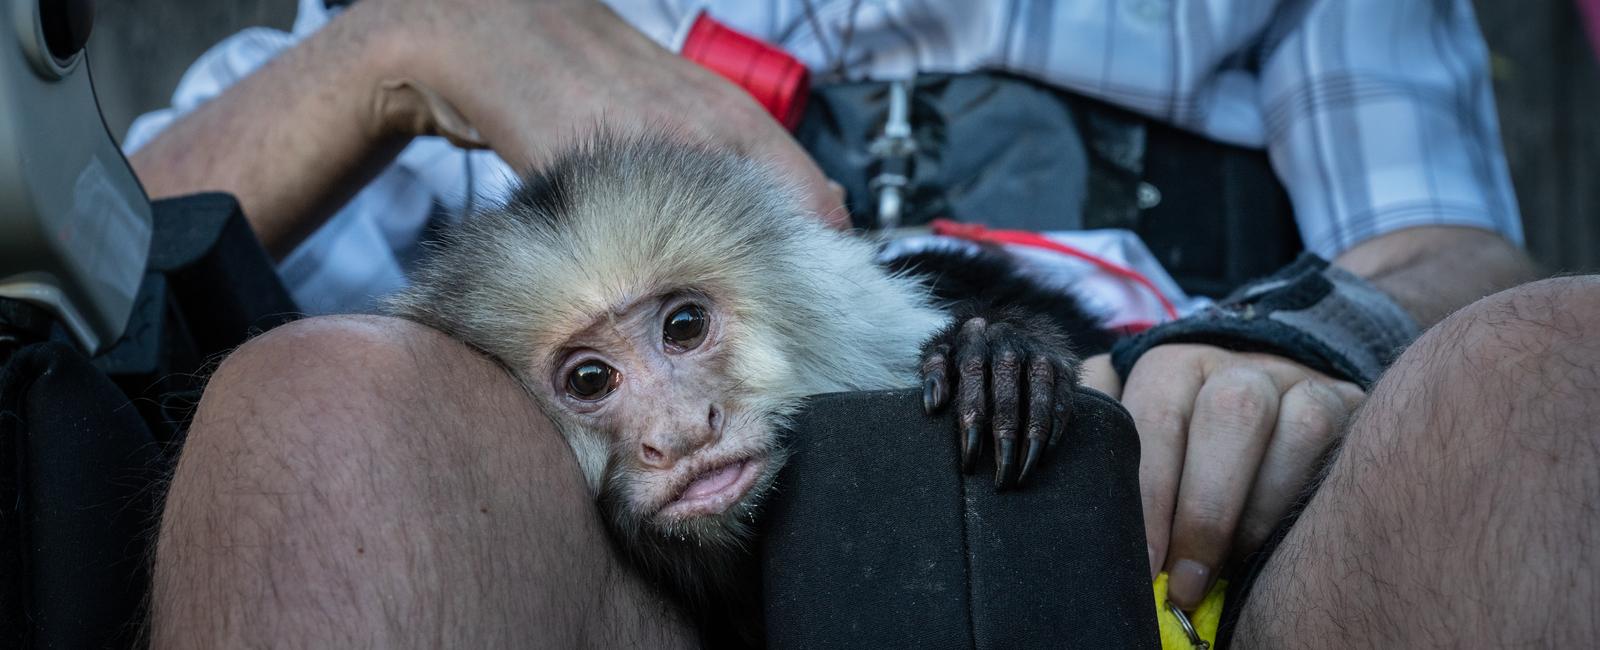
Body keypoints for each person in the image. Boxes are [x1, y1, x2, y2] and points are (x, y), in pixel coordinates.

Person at [131, 0, 1596, 647]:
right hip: (625, 586)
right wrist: (407, 44)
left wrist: (1298, 340)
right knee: (307, 416)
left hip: (1169, 492)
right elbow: (63, 265)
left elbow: (1456, 256)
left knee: (1551, 377)